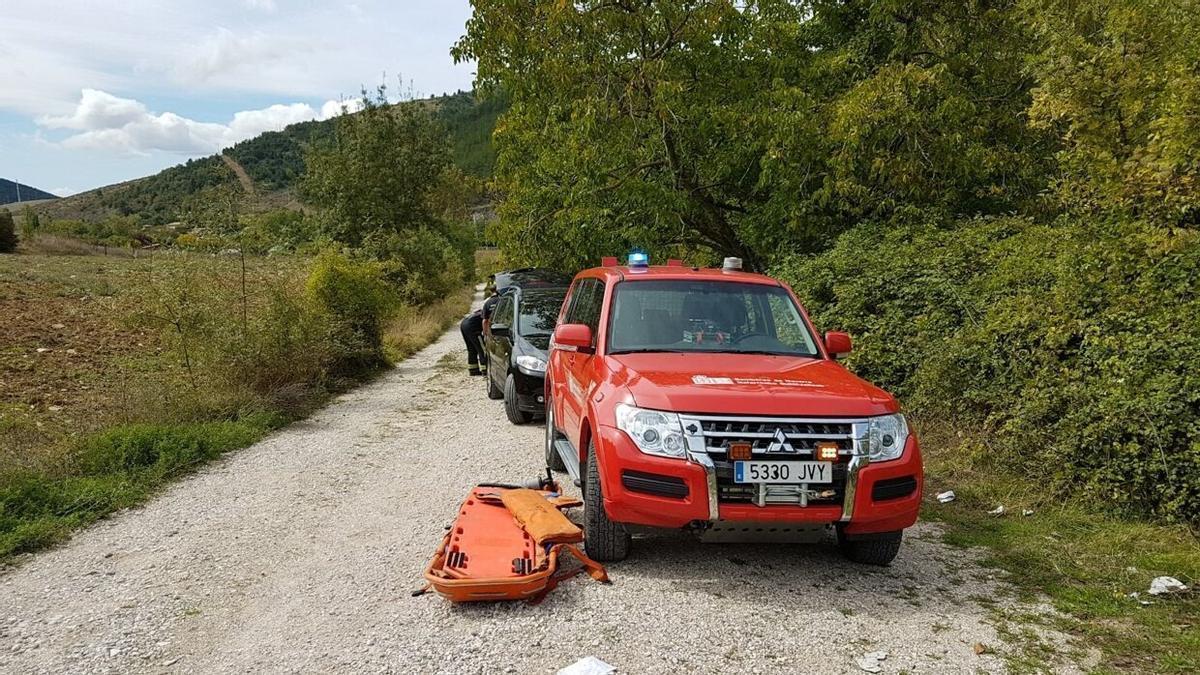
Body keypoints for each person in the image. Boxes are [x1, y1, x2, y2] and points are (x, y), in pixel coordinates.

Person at [460, 282, 500, 376]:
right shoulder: (497, 303)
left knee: (471, 349)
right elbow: (485, 321)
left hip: (464, 323)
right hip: (472, 326)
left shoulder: (488, 302)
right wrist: (485, 334)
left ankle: (473, 370)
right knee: (482, 348)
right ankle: (485, 370)